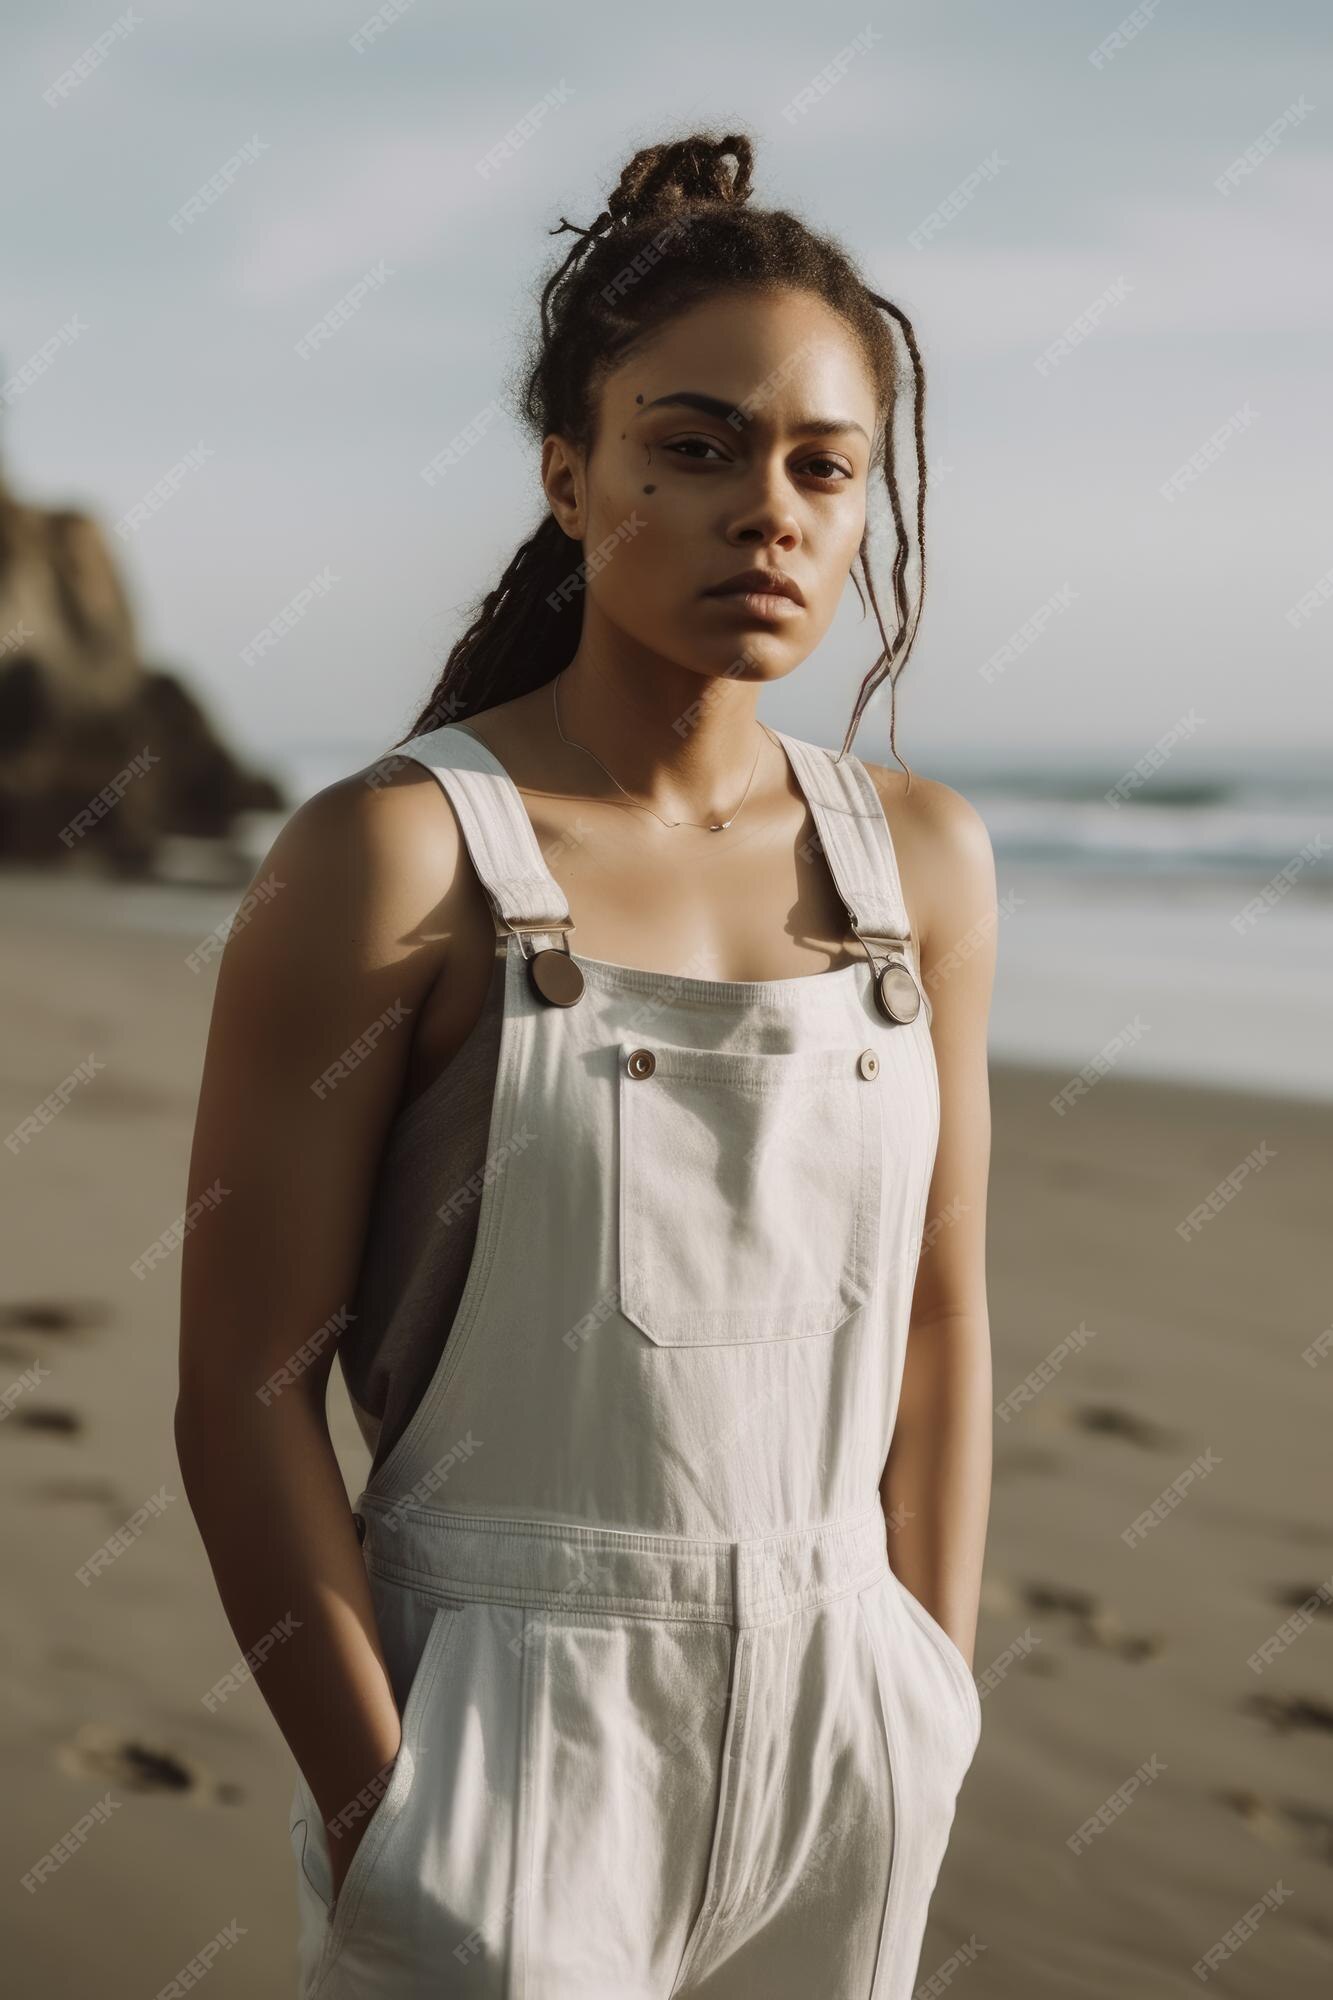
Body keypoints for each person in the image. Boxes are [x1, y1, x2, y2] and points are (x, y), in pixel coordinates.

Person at [175, 130, 996, 2000]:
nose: (763, 511)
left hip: (844, 1737)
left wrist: (920, 1698)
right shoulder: (392, 860)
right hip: (506, 1749)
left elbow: (940, 1325)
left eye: (820, 465)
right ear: (570, 475)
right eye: (691, 448)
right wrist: (390, 1817)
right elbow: (239, 1393)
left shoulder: (920, 865)